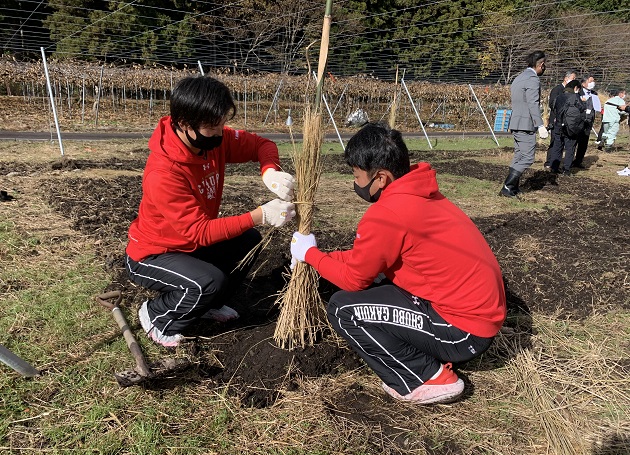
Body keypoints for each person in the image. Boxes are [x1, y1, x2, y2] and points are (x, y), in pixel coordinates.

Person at [289, 122, 506, 405]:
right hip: (475, 315)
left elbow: (354, 279)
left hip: (464, 332)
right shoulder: (418, 193)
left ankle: (426, 377)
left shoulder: (389, 213)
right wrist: (319, 256)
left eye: (357, 176)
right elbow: (365, 260)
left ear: (380, 178)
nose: (355, 184)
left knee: (344, 309)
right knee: (379, 282)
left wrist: (312, 256)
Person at [125, 76, 296, 348]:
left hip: (189, 247)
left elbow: (262, 145)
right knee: (208, 281)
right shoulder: (164, 172)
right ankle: (158, 315)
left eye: (221, 124)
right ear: (184, 123)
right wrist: (260, 215)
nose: (220, 132)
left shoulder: (212, 139)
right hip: (154, 253)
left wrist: (270, 171)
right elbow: (199, 232)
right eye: (212, 127)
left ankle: (206, 305)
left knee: (249, 240)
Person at [500, 50, 548, 198]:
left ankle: (513, 186)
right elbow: (532, 104)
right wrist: (540, 125)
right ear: (540, 64)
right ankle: (507, 186)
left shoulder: (519, 77)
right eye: (544, 65)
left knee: (519, 156)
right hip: (525, 123)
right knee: (528, 157)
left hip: (515, 122)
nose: (544, 68)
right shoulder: (532, 79)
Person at [545, 79, 585, 175]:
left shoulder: (559, 97)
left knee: (557, 146)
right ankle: (566, 169)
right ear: (576, 88)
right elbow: (581, 109)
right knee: (570, 147)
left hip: (558, 125)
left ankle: (554, 167)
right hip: (570, 126)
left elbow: (553, 107)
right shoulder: (575, 97)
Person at [544, 69, 577, 170]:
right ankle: (549, 162)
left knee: (561, 142)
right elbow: (552, 104)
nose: (574, 80)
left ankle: (556, 162)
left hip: (566, 121)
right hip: (556, 119)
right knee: (554, 141)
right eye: (573, 78)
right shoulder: (557, 89)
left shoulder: (571, 93)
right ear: (566, 78)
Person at [572, 75, 599, 169]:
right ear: (584, 82)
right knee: (574, 141)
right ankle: (569, 160)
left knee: (584, 143)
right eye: (591, 81)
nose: (593, 83)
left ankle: (578, 161)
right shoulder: (578, 92)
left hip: (589, 121)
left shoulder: (594, 93)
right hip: (578, 120)